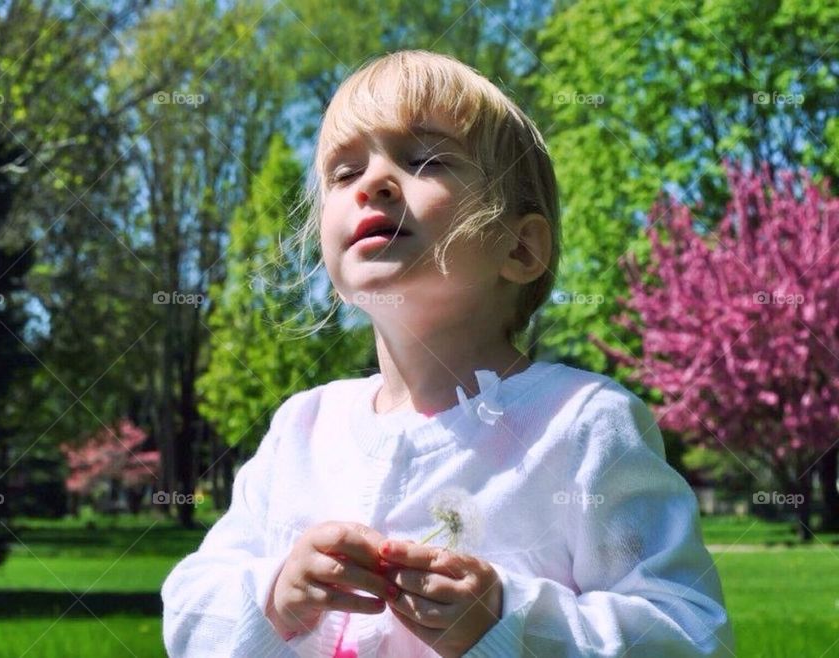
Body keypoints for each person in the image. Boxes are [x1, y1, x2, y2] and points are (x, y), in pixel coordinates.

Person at [161, 50, 735, 657]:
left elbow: (691, 634)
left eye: (426, 160)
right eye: (344, 173)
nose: (373, 183)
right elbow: (191, 610)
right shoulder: (301, 430)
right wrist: (276, 596)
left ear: (520, 247)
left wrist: (508, 619)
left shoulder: (582, 423)